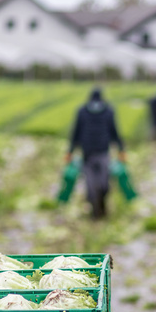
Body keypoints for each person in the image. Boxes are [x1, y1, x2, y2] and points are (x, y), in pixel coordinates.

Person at [66, 87, 125, 219]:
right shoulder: (82, 112)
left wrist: (121, 149)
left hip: (103, 152)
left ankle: (102, 207)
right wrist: (70, 151)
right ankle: (95, 211)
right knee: (91, 184)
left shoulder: (109, 112)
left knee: (104, 184)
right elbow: (76, 132)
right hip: (87, 154)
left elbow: (114, 131)